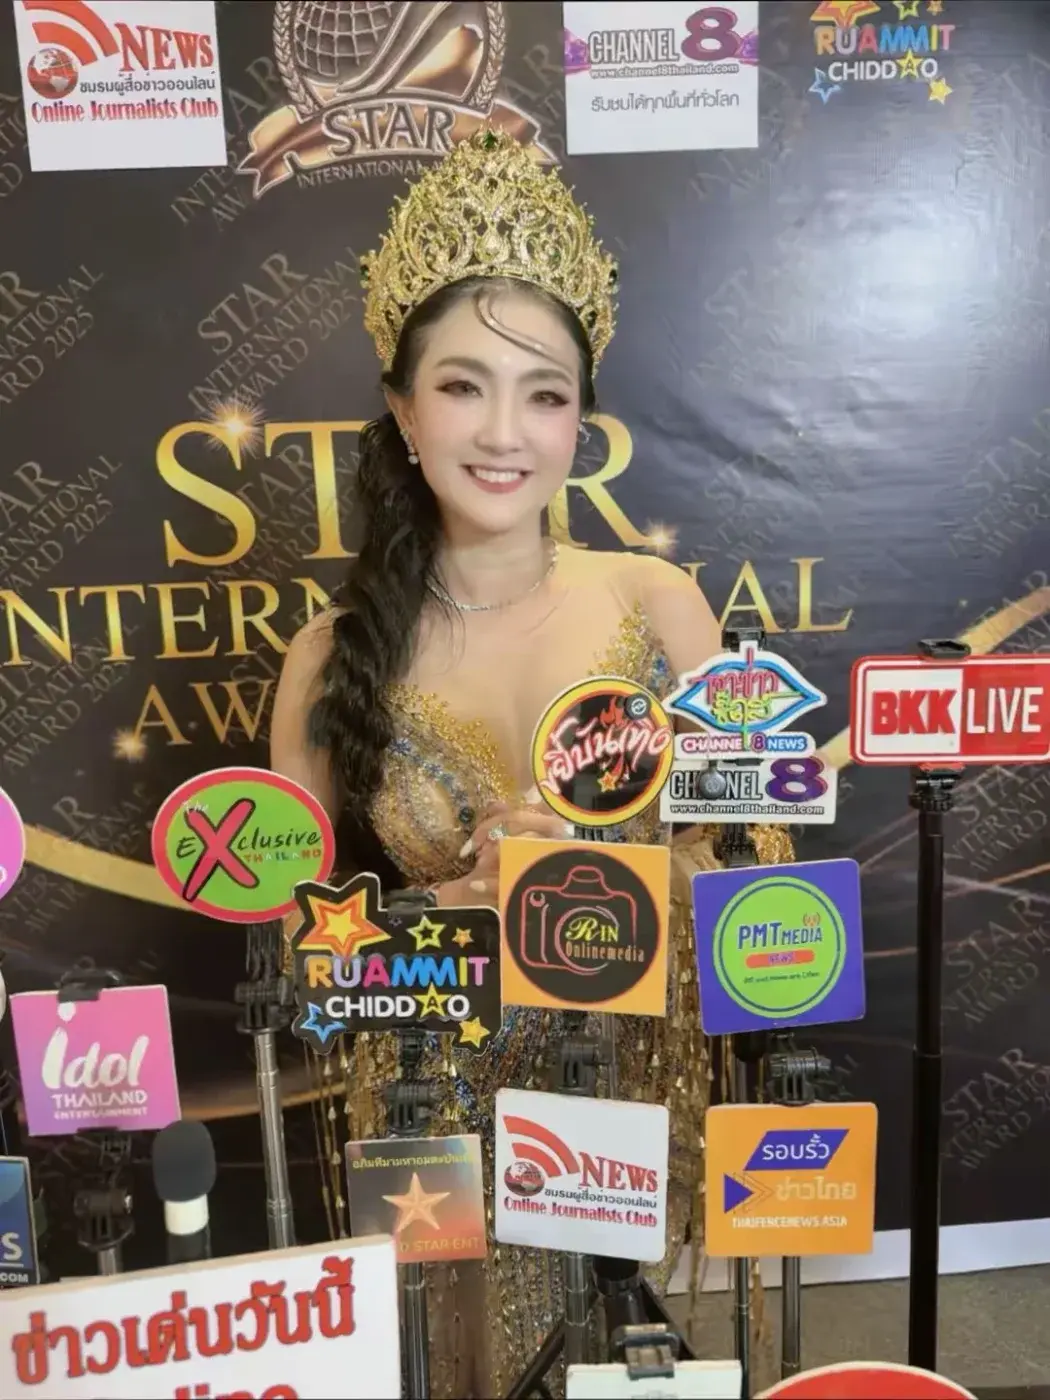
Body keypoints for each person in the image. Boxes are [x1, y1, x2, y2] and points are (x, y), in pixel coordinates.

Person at [270, 127, 792, 1397]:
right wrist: (445, 912)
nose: (505, 430)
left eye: (545, 393)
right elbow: (297, 953)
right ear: (403, 408)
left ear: (580, 421)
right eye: (464, 385)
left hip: (625, 1078)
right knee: (467, 1371)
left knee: (624, 1362)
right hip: (433, 1100)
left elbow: (763, 876)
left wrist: (599, 879)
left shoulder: (657, 602)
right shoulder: (326, 656)